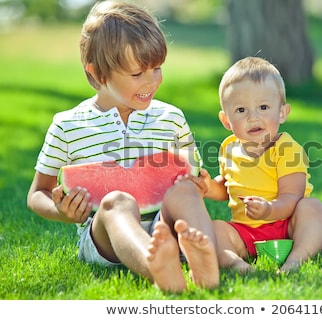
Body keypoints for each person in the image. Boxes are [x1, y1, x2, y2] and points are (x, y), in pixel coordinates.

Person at [27, 0, 219, 293]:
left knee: (184, 191)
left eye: (157, 68)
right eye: (137, 73)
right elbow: (37, 193)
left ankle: (206, 263)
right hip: (104, 239)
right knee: (117, 201)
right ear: (98, 73)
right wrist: (61, 211)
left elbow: (191, 180)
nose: (152, 81)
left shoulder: (171, 117)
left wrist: (199, 185)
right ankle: (157, 267)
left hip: (166, 225)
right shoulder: (67, 125)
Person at [191, 56, 322, 273]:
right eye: (241, 110)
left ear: (282, 112)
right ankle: (236, 263)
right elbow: (229, 189)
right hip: (246, 231)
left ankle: (297, 258)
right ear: (226, 120)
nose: (253, 118)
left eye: (263, 107)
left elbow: (292, 197)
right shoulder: (228, 148)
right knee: (216, 229)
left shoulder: (287, 149)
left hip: (289, 226)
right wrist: (208, 186)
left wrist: (268, 210)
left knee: (312, 208)